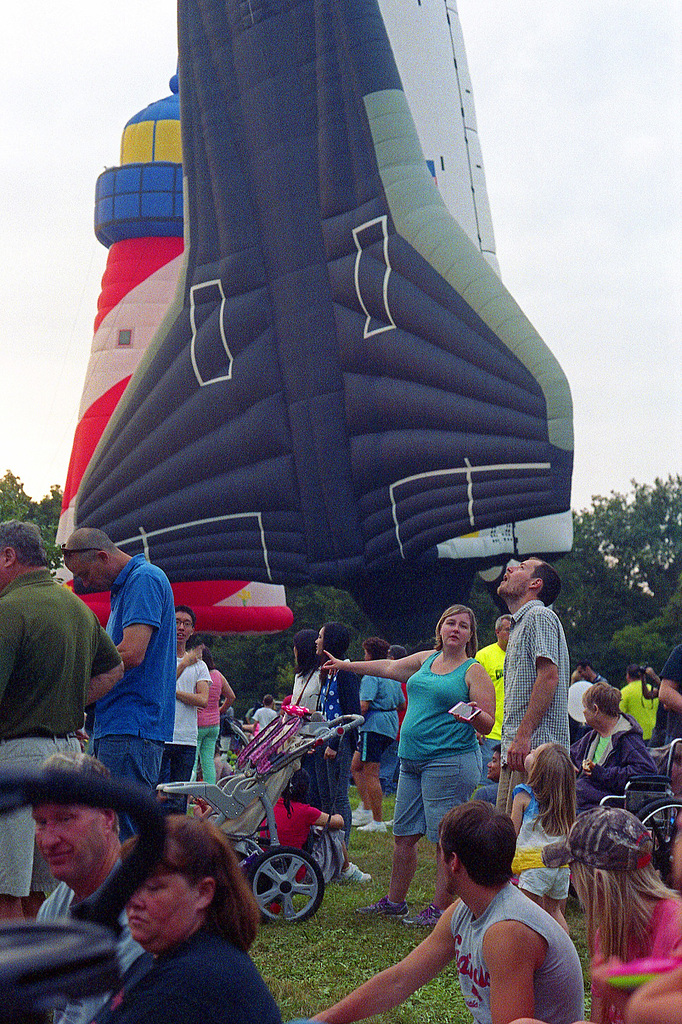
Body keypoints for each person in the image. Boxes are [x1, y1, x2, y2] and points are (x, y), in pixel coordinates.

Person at [313, 801, 584, 1024]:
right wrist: (323, 1020)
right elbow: (400, 980)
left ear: (453, 861)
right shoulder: (466, 910)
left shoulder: (507, 931)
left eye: (439, 850)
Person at [323, 604, 495, 927]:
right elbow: (388, 666)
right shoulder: (425, 659)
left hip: (449, 761)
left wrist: (472, 714)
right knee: (403, 834)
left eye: (463, 626)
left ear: (471, 635)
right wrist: (346, 666)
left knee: (445, 838)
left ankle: (441, 909)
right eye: (450, 623)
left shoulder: (473, 670)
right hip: (411, 758)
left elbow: (487, 722)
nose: (455, 629)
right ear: (440, 628)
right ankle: (395, 902)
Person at [0, 520, 123, 920]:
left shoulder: (7, 610)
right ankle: (51, 975)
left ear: (8, 557)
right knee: (44, 896)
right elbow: (113, 668)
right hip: (68, 757)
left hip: (16, 758)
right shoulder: (76, 607)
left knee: (5, 895)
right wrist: (69, 702)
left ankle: (20, 983)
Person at [92, 815, 282, 1024]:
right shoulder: (164, 957)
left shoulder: (190, 984)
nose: (132, 900)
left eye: (153, 887)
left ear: (202, 893)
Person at [63, 528, 176, 840]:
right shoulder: (128, 587)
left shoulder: (144, 579)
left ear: (102, 556)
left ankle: (129, 889)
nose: (84, 585)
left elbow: (133, 652)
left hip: (131, 728)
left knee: (120, 834)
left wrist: (69, 680)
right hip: (119, 726)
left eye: (84, 574)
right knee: (109, 827)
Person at [541, 805, 682, 1024]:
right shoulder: (607, 935)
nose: (574, 885)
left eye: (573, 873)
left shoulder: (676, 929)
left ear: (598, 882)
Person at [35, 751, 146, 1024]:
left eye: (65, 819)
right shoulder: (55, 908)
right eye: (41, 822)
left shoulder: (141, 917)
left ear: (108, 817)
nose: (48, 841)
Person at [496, 558, 570, 815]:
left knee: (529, 845)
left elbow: (549, 677)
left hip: (537, 754)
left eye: (521, 567)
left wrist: (523, 735)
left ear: (535, 584)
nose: (510, 569)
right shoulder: (520, 624)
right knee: (508, 840)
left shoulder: (539, 615)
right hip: (519, 751)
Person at [510, 743, 575, 933]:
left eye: (534, 753)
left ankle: (526, 949)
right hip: (560, 868)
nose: (529, 752)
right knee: (554, 912)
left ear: (539, 769)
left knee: (524, 913)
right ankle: (564, 949)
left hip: (533, 866)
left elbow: (511, 832)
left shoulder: (523, 795)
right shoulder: (565, 802)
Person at [271, 768, 371, 883]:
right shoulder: (306, 812)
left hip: (272, 865)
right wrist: (334, 816)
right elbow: (339, 822)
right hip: (298, 873)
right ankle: (347, 870)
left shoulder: (273, 805)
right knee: (333, 830)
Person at [571, 681, 657, 812]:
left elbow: (647, 770)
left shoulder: (628, 738)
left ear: (595, 709)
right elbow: (571, 754)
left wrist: (602, 774)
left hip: (606, 804)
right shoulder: (593, 736)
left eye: (585, 707)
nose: (582, 711)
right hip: (586, 798)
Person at [351, 636, 405, 833]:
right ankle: (365, 807)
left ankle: (377, 820)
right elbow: (401, 704)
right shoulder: (391, 675)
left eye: (365, 653)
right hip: (390, 725)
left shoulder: (370, 675)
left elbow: (364, 706)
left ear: (370, 654)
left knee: (371, 773)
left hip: (373, 727)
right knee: (355, 766)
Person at [315, 621, 362, 847]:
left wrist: (335, 742)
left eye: (321, 636)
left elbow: (349, 712)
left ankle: (343, 847)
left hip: (340, 741)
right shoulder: (329, 672)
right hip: (325, 739)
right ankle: (329, 847)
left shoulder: (345, 673)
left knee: (339, 797)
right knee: (326, 797)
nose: (317, 641)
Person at [159, 606, 210, 812]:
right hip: (161, 737)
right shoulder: (160, 657)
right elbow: (158, 687)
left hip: (186, 739)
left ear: (192, 630)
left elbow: (203, 699)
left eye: (186, 624)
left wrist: (174, 693)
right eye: (177, 622)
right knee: (159, 795)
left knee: (179, 799)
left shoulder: (199, 665)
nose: (181, 627)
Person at [189, 640, 235, 785]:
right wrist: (220, 711)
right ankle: (209, 795)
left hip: (197, 724)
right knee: (208, 761)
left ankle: (188, 792)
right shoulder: (218, 675)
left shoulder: (197, 674)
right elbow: (231, 697)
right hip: (214, 724)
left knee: (193, 761)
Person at [476, 615, 511, 779]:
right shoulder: (484, 656)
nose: (512, 634)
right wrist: (477, 725)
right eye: (508, 630)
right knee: (488, 780)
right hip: (490, 731)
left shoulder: (524, 655)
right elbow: (473, 691)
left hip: (514, 731)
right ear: (497, 632)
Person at [619, 665, 660, 744]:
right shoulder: (651, 688)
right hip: (653, 734)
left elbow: (620, 715)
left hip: (636, 735)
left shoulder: (624, 692)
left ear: (628, 676)